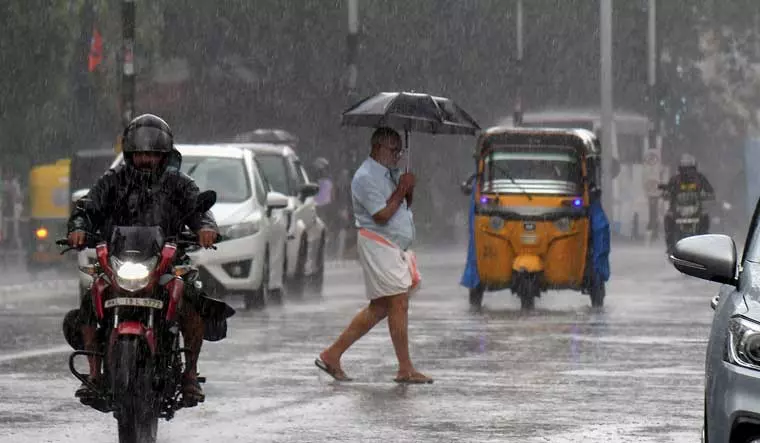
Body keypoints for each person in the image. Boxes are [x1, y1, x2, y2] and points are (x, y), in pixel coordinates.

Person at [66, 114, 219, 404]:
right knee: (91, 296)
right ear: (129, 154)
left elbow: (200, 211)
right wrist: (78, 229)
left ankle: (190, 373)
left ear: (164, 156)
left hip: (167, 262)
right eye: (140, 154)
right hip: (118, 260)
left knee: (193, 296)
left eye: (152, 154)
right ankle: (95, 372)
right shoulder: (113, 180)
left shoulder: (179, 183)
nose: (146, 159)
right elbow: (87, 208)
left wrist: (206, 229)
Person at [315, 127, 432, 384]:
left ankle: (332, 354)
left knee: (381, 307)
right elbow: (381, 214)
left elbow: (402, 205)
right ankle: (405, 367)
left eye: (400, 150)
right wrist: (401, 189)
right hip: (379, 244)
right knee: (398, 302)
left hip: (394, 246)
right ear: (378, 147)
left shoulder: (391, 173)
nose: (397, 155)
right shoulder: (365, 177)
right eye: (393, 149)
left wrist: (407, 188)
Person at [662, 153, 715, 250]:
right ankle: (670, 246)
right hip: (677, 209)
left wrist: (707, 195)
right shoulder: (675, 180)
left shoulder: (700, 178)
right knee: (668, 218)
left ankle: (704, 239)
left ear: (694, 169)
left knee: (705, 216)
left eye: (690, 169)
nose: (687, 173)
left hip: (696, 208)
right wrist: (666, 194)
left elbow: (710, 190)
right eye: (684, 169)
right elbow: (667, 191)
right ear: (680, 169)